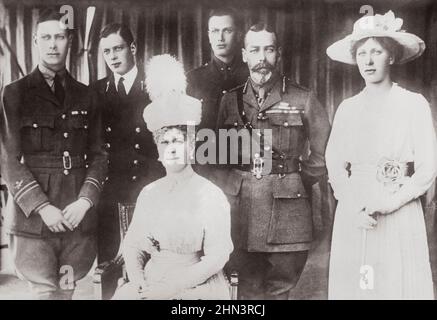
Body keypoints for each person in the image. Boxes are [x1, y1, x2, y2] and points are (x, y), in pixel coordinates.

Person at [326, 10, 437, 299]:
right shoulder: (347, 108)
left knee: (394, 284)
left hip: (398, 209)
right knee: (361, 285)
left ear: (391, 56)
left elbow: (428, 168)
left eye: (376, 51)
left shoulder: (413, 104)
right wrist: (354, 205)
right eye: (362, 53)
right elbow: (335, 166)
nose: (369, 59)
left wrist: (389, 203)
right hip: (357, 211)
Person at [216, 23, 331, 299]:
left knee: (280, 291)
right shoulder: (230, 101)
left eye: (268, 49)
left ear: (278, 54)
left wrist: (295, 179)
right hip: (240, 213)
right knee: (246, 290)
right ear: (244, 55)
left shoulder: (302, 98)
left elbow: (324, 153)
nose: (262, 58)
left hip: (288, 213)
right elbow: (218, 157)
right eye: (255, 50)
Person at [0, 9, 108, 299]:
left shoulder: (87, 95)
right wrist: (42, 207)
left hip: (76, 214)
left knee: (67, 290)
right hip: (33, 219)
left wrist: (85, 201)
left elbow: (99, 154)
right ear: (35, 41)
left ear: (69, 42)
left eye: (59, 37)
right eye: (45, 37)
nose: (52, 44)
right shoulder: (14, 93)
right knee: (45, 292)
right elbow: (7, 158)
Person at [112, 54, 233, 300]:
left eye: (178, 140)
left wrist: (173, 287)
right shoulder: (150, 193)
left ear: (191, 145)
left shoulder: (210, 195)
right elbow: (133, 245)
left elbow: (217, 257)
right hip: (151, 279)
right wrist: (138, 281)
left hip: (196, 284)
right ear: (158, 150)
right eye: (165, 142)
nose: (172, 148)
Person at [92, 23, 165, 275]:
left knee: (150, 267)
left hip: (149, 190)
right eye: (106, 51)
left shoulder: (156, 87)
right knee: (111, 266)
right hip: (110, 194)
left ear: (132, 48)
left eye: (118, 48)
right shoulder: (96, 91)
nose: (112, 57)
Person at [187, 7, 248, 131]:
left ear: (238, 34)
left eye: (227, 31)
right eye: (215, 31)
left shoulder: (251, 76)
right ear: (209, 36)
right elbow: (189, 131)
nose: (220, 38)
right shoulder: (193, 79)